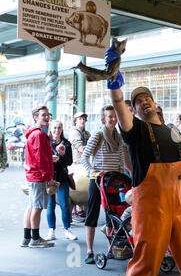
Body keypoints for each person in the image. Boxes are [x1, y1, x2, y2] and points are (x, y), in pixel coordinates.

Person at [109, 82, 181, 276]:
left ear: (155, 103)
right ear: (133, 111)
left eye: (147, 99)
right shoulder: (136, 131)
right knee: (145, 263)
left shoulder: (173, 132)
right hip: (151, 209)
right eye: (138, 102)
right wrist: (114, 87)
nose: (144, 102)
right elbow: (119, 109)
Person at [81, 105, 125, 264]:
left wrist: (120, 173)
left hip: (112, 183)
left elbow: (120, 161)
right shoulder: (97, 136)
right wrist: (93, 172)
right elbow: (84, 158)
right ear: (103, 119)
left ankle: (110, 248)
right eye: (110, 116)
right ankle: (90, 251)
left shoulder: (119, 137)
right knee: (91, 215)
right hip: (97, 182)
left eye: (115, 116)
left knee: (111, 217)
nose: (113, 119)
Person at [21, 106, 55, 248]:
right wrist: (47, 177)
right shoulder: (39, 135)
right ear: (36, 117)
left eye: (47, 115)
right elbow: (40, 159)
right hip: (38, 176)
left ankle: (27, 238)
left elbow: (39, 157)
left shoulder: (34, 134)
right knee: (37, 207)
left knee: (31, 206)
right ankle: (35, 239)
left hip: (33, 175)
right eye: (43, 115)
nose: (46, 117)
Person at [44, 120, 77, 241]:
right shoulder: (46, 142)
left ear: (62, 129)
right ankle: (51, 231)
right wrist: (50, 159)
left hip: (62, 178)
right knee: (50, 205)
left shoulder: (67, 144)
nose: (56, 130)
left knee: (64, 205)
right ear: (50, 129)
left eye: (59, 128)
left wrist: (62, 155)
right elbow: (42, 160)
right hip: (50, 178)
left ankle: (67, 230)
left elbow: (69, 162)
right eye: (54, 128)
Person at [69, 112, 91, 223]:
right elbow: (79, 146)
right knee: (75, 188)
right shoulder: (74, 132)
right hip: (75, 163)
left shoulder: (86, 133)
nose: (82, 120)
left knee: (83, 187)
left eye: (84, 118)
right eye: (80, 118)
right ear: (75, 120)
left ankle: (81, 209)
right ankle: (74, 211)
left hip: (84, 163)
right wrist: (89, 148)